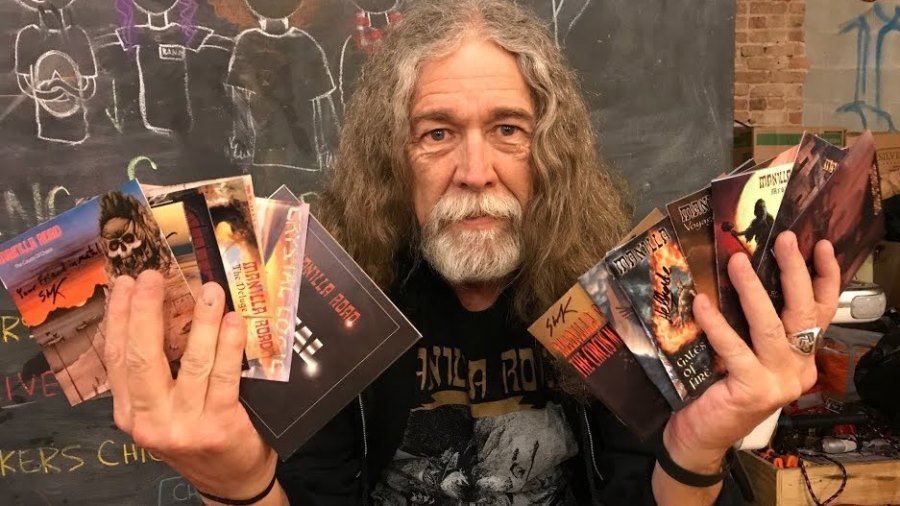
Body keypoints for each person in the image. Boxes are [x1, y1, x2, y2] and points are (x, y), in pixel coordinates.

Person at [102, 1, 842, 504]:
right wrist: (237, 487)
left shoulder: (626, 296)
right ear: (392, 159)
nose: (476, 171)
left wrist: (697, 452)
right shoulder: (321, 301)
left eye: (509, 131)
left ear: (550, 153)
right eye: (437, 133)